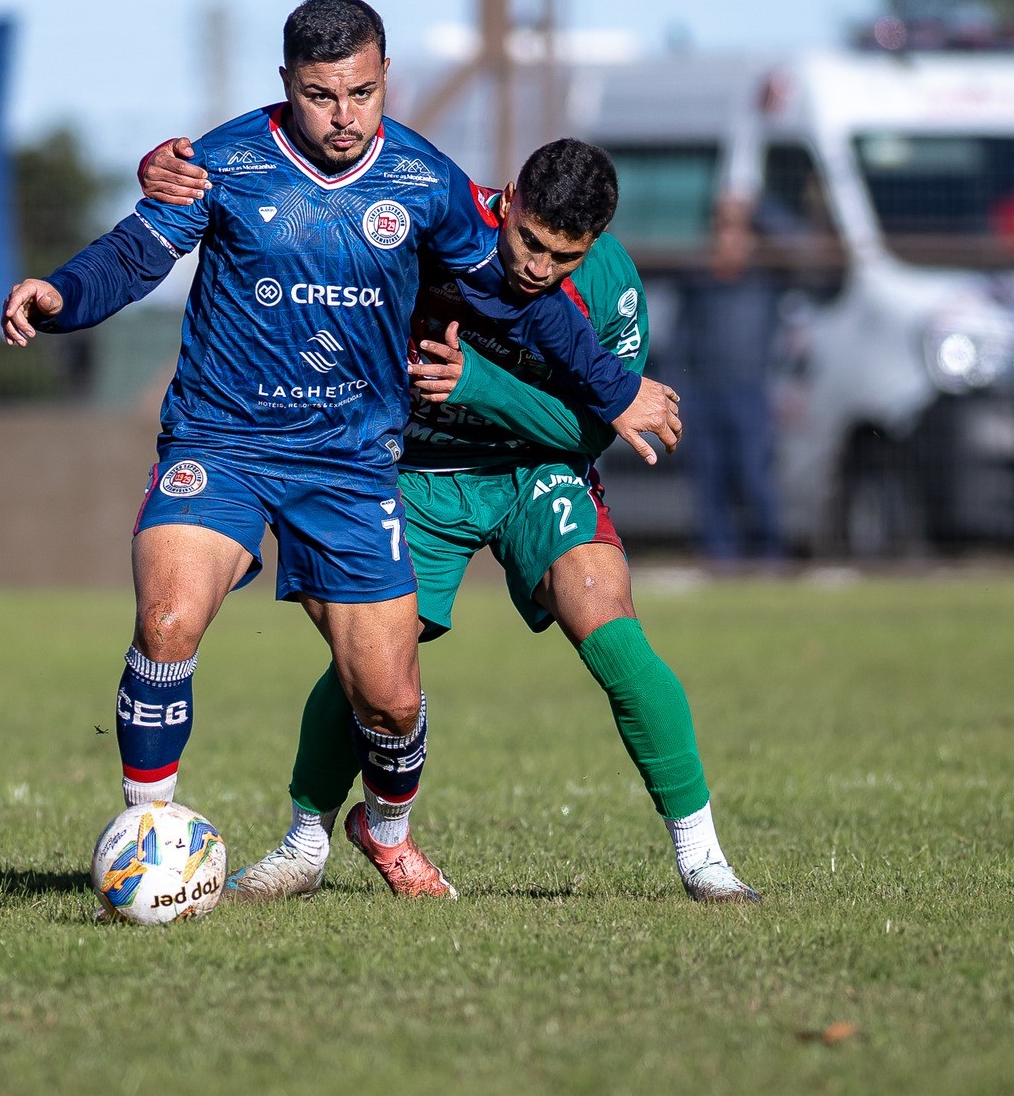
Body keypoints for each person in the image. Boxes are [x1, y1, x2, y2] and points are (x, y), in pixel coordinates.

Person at [2, 0, 682, 899]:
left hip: (352, 463)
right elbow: (136, 253)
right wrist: (61, 295)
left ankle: (386, 832)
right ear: (287, 83)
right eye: (321, 96)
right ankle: (147, 840)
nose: (343, 116)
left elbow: (523, 303)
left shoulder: (424, 182)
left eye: (361, 92)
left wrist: (614, 387)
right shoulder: (226, 163)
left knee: (390, 699)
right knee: (167, 620)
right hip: (223, 441)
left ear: (385, 76)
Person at [138, 136, 759, 904]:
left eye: (563, 256)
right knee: (371, 669)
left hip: (538, 471)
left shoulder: (612, 286)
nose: (538, 267)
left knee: (612, 628)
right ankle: (306, 844)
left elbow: (594, 430)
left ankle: (704, 860)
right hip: (421, 476)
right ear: (510, 200)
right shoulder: (436, 234)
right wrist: (174, 169)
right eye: (530, 241)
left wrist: (478, 385)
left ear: (594, 243)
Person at [677, 192, 782, 566]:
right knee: (710, 481)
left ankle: (770, 553)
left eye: (738, 230)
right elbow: (680, 342)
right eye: (723, 229)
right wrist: (680, 396)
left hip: (750, 392)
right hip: (704, 393)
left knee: (754, 475)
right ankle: (720, 558)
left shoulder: (765, 280)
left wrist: (760, 209)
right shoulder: (697, 282)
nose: (729, 239)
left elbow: (806, 252)